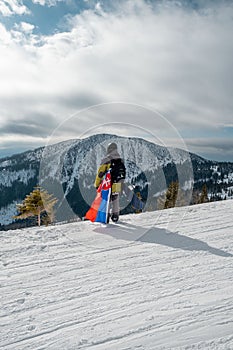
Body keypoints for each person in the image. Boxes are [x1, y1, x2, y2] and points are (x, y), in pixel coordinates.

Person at [94, 142, 126, 222]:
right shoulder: (120, 160)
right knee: (115, 199)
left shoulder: (106, 160)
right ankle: (115, 216)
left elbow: (100, 174)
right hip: (118, 183)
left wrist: (97, 184)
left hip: (108, 184)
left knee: (106, 199)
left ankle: (106, 217)